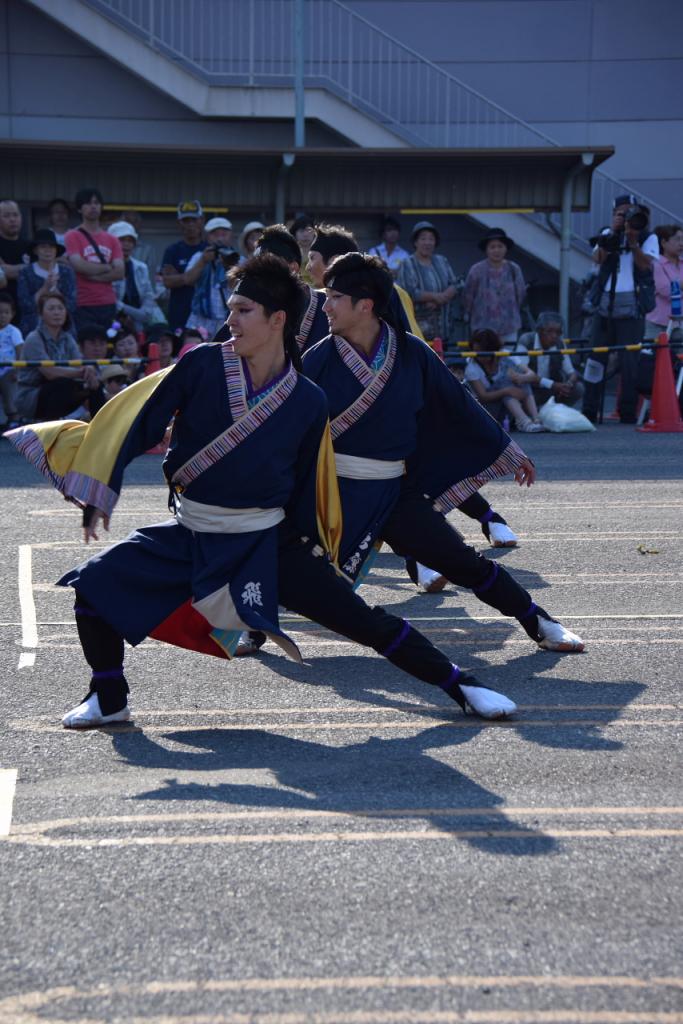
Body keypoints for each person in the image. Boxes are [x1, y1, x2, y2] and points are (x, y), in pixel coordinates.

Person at [7, 253, 516, 727]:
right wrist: (102, 486)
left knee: (366, 622)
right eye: (231, 309)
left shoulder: (307, 399)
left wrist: (314, 549)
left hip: (266, 544)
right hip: (194, 531)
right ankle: (109, 697)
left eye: (244, 310)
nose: (232, 320)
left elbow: (306, 485)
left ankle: (461, 684)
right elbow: (142, 424)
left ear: (278, 320)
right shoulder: (201, 364)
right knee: (93, 587)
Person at [304, 253, 583, 654]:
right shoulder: (318, 358)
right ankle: (249, 629)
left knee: (464, 562)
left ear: (364, 305)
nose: (325, 306)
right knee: (289, 565)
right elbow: (289, 419)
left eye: (333, 297)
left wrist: (509, 448)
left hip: (394, 492)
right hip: (335, 494)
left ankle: (538, 621)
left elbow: (460, 403)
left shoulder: (412, 352)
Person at [582, 194, 659, 424]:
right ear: (614, 214)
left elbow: (646, 265)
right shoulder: (607, 233)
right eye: (621, 213)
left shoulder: (647, 235)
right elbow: (597, 258)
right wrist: (614, 233)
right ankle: (589, 409)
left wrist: (633, 241)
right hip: (605, 304)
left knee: (630, 361)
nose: (626, 217)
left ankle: (627, 412)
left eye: (630, 212)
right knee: (595, 358)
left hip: (632, 306)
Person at [16, 293, 98, 422]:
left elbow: (80, 363)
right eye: (51, 309)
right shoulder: (34, 338)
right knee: (62, 384)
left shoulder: (68, 338)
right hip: (32, 395)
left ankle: (101, 427)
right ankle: (50, 427)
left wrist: (88, 370)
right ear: (41, 314)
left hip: (58, 388)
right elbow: (50, 373)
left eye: (60, 308)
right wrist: (80, 373)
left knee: (95, 384)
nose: (57, 312)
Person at [64, 188, 124, 332]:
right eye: (88, 203)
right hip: (83, 303)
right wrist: (107, 267)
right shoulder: (72, 235)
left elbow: (120, 272)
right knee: (87, 348)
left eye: (96, 203)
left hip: (108, 302)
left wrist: (92, 275)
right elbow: (78, 265)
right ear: (79, 208)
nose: (93, 206)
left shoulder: (112, 239)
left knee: (108, 347)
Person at [465, 328, 545, 432]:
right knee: (505, 386)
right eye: (476, 352)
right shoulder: (471, 366)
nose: (480, 356)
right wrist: (507, 391)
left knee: (521, 381)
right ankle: (524, 422)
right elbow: (483, 397)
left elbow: (531, 375)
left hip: (507, 407)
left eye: (483, 352)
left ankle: (536, 419)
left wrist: (521, 378)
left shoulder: (504, 354)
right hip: (486, 410)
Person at [397, 221, 457, 343]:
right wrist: (436, 297)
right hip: (420, 329)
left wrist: (444, 297)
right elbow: (409, 292)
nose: (427, 243)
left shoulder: (442, 260)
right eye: (423, 239)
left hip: (444, 327)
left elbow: (455, 284)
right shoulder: (407, 264)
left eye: (431, 239)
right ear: (415, 242)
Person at [462, 228, 526, 343]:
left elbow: (520, 295)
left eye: (500, 246)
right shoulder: (476, 270)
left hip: (509, 327)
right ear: (486, 250)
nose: (497, 250)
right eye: (492, 247)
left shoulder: (514, 269)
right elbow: (468, 297)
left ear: (506, 248)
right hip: (482, 328)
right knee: (484, 358)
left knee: (509, 359)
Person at [515, 312, 584, 409]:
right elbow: (523, 374)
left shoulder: (559, 343)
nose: (554, 336)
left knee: (578, 388)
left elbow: (571, 372)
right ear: (539, 330)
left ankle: (558, 410)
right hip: (531, 390)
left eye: (558, 332)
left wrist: (568, 385)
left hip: (553, 390)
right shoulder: (526, 340)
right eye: (550, 331)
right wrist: (553, 385)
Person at [184, 217, 238, 339]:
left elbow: (242, 287)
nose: (220, 238)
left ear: (231, 236)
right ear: (207, 237)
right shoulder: (199, 256)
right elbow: (188, 280)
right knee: (197, 355)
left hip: (229, 319)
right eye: (215, 234)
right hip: (201, 319)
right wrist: (203, 261)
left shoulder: (239, 259)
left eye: (224, 234)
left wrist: (231, 265)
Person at [17, 229, 77, 337]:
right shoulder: (25, 273)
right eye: (43, 247)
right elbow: (25, 306)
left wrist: (54, 288)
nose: (47, 250)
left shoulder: (67, 272)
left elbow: (71, 306)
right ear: (35, 250)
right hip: (33, 327)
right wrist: (44, 288)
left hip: (63, 328)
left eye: (51, 247)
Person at [108, 220, 165, 330]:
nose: (126, 244)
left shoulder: (141, 267)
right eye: (122, 240)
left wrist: (140, 314)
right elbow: (112, 301)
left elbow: (148, 296)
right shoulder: (105, 266)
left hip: (139, 323)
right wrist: (131, 312)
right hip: (112, 321)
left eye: (130, 240)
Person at [160, 200, 206, 332]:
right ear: (179, 223)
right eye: (186, 220)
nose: (190, 224)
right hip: (179, 314)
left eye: (194, 220)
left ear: (202, 220)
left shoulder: (209, 250)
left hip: (205, 316)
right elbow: (167, 281)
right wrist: (193, 277)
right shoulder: (172, 251)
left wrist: (179, 277)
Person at [646, 224, 683, 341]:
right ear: (663, 243)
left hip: (680, 323)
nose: (681, 244)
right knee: (657, 356)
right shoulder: (656, 264)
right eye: (677, 239)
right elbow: (666, 291)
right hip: (658, 323)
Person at [0, 200, 31, 320]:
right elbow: (3, 273)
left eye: (15, 215)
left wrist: (9, 269)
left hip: (26, 309)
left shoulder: (30, 245)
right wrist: (26, 269)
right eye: (6, 216)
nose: (12, 219)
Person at [0, 292, 23, 429]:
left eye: (6, 312)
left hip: (9, 370)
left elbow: (20, 349)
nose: (2, 316)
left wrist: (18, 369)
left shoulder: (13, 331)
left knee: (9, 389)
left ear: (12, 314)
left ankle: (14, 417)